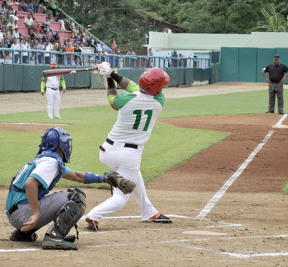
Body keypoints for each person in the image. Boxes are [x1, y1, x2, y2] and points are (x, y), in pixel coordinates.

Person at [5, 127, 135, 250]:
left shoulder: (45, 159)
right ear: (59, 145)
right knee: (76, 196)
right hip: (23, 215)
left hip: (16, 214)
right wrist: (36, 213)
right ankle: (54, 237)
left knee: (62, 197)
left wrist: (105, 178)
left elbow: (76, 176)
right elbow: (30, 184)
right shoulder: (51, 163)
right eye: (65, 143)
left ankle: (22, 234)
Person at [84, 64, 172, 231]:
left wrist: (110, 78)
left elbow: (113, 98)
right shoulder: (159, 101)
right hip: (128, 154)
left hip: (107, 150)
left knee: (135, 176)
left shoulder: (126, 99)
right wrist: (111, 74)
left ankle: (148, 211)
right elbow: (134, 87)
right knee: (122, 195)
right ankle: (94, 215)